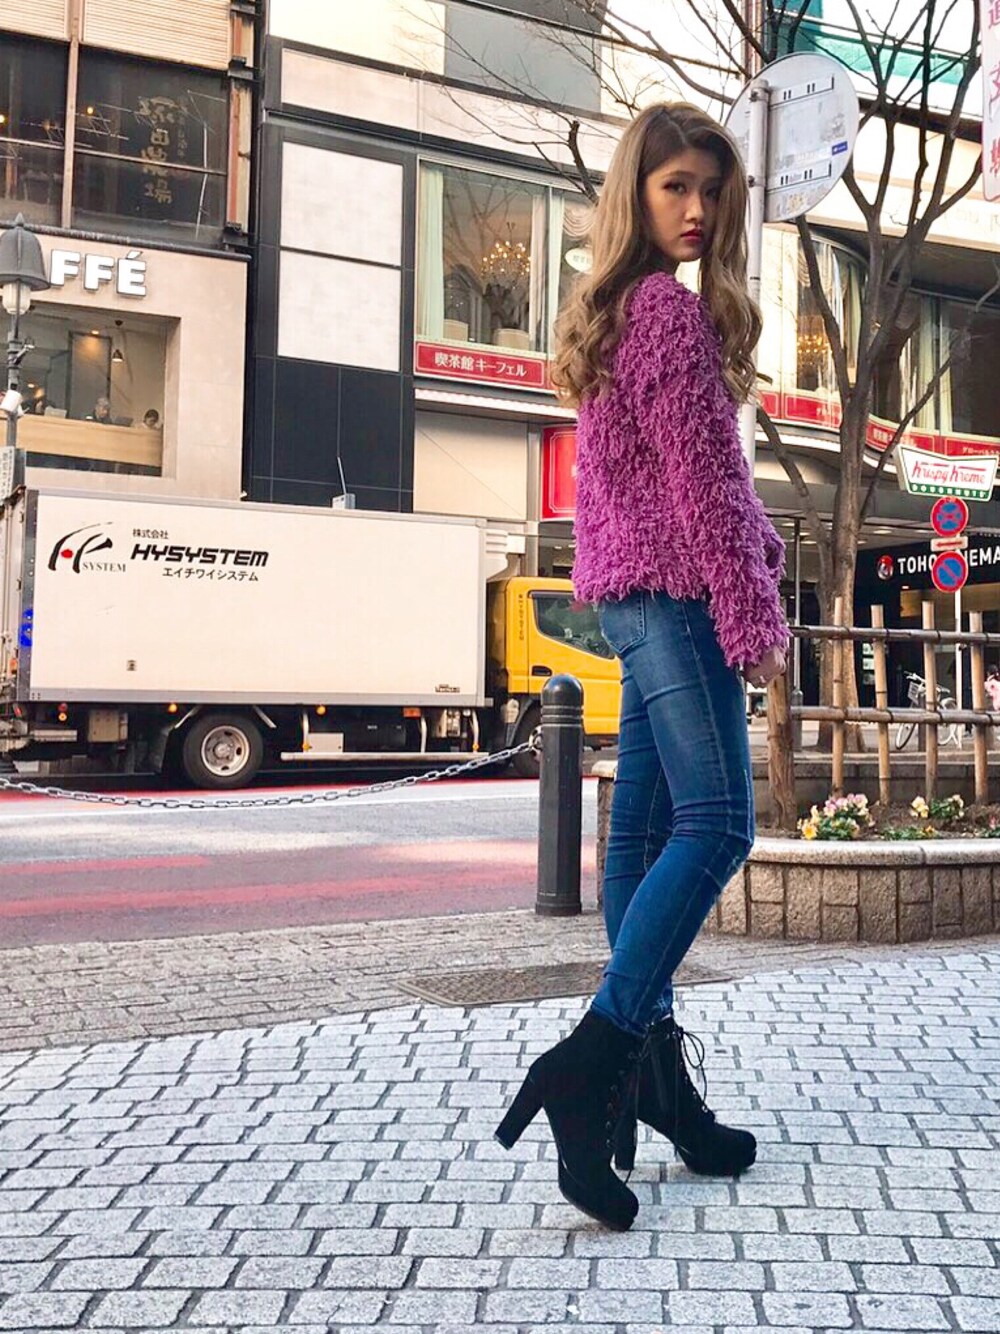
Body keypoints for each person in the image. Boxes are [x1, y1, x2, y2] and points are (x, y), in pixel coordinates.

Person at [494, 103, 789, 1231]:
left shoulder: (611, 307)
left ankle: (655, 1082)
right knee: (719, 824)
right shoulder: (665, 311)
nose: (697, 208)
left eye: (712, 189)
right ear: (637, 192)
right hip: (674, 592)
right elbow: (706, 488)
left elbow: (664, 477)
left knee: (642, 836)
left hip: (628, 595)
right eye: (676, 186)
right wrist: (753, 613)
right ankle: (598, 1055)